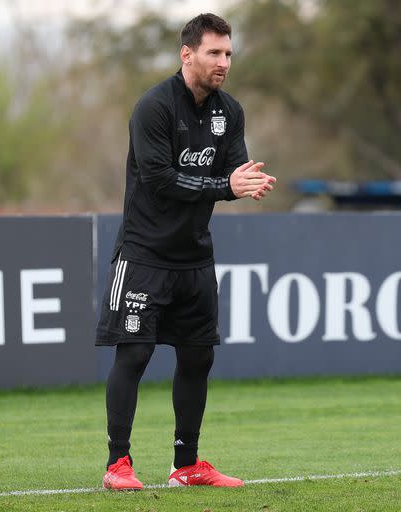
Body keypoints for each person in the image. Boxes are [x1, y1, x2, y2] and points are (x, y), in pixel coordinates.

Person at [95, 13, 276, 490]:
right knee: (134, 354)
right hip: (144, 254)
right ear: (187, 54)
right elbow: (158, 179)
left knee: (198, 359)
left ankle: (186, 465)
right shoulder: (153, 107)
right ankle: (118, 464)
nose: (224, 62)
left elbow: (235, 167)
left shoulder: (229, 111)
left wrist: (249, 178)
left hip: (194, 258)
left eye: (229, 53)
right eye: (214, 53)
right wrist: (225, 186)